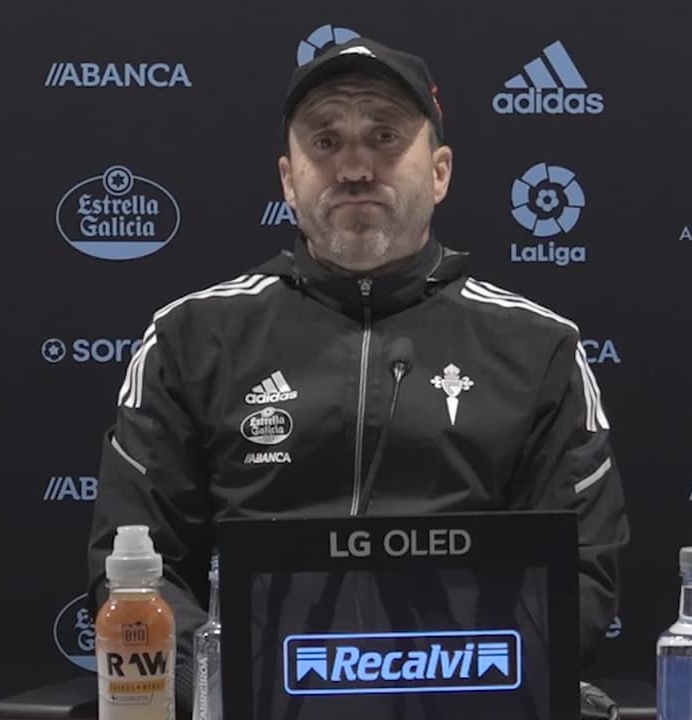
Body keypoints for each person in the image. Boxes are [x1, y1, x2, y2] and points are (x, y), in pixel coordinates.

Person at [87, 37, 630, 715]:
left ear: (439, 172)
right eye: (325, 141)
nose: (354, 168)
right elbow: (134, 571)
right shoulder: (191, 337)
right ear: (289, 180)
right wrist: (245, 684)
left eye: (384, 137)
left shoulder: (539, 347)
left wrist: (432, 681)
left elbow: (578, 576)